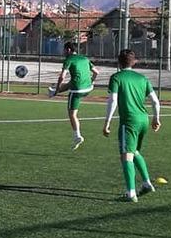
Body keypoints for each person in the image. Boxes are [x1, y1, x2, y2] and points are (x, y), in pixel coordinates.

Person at [102, 49, 161, 202]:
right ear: (134, 62)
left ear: (118, 62)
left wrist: (107, 121)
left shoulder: (116, 78)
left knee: (126, 156)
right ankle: (147, 184)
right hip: (144, 119)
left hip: (129, 121)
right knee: (134, 151)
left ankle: (131, 193)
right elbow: (155, 101)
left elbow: (113, 100)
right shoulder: (142, 78)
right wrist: (156, 118)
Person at [48, 42, 99, 150]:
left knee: (72, 114)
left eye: (64, 50)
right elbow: (96, 72)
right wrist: (91, 81)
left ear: (69, 50)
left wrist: (58, 88)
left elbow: (62, 77)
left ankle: (77, 136)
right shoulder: (84, 58)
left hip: (77, 91)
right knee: (72, 82)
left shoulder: (69, 60)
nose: (63, 52)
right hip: (89, 87)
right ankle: (53, 92)